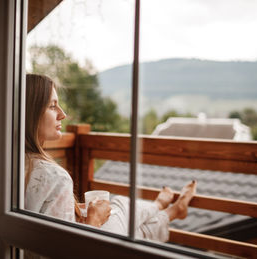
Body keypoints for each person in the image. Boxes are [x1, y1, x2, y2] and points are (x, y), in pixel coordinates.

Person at [24, 74, 197, 242]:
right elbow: (70, 251)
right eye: (52, 106)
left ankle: (171, 210)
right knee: (122, 207)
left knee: (136, 230)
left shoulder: (11, 163)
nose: (62, 114)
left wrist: (77, 212)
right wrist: (94, 221)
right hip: (87, 247)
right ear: (31, 113)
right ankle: (163, 207)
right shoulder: (54, 177)